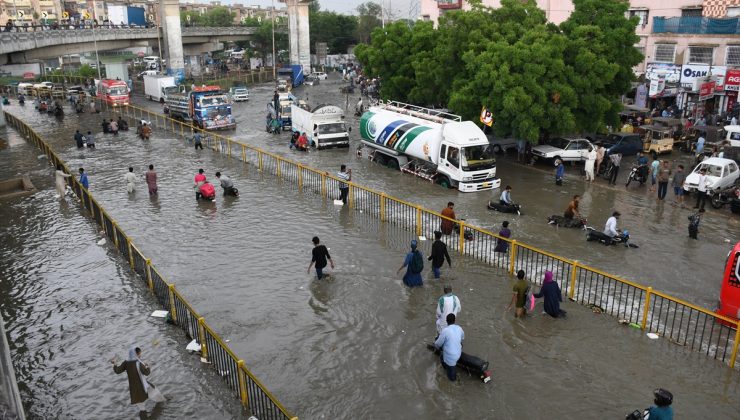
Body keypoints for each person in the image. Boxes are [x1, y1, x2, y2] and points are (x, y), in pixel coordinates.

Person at [111, 346, 165, 412]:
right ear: (136, 354)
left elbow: (117, 371)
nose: (140, 355)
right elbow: (147, 373)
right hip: (143, 385)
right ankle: (162, 405)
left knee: (140, 405)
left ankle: (143, 414)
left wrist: (114, 364)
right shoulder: (138, 363)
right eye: (139, 354)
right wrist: (148, 366)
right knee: (156, 395)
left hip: (133, 389)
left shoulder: (126, 362)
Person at [433, 313, 464, 381]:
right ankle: (448, 367)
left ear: (446, 321)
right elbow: (462, 339)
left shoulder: (445, 331)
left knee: (452, 378)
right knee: (442, 356)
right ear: (455, 320)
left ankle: (453, 380)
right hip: (459, 353)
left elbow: (438, 344)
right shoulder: (459, 328)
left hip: (451, 358)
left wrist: (435, 345)